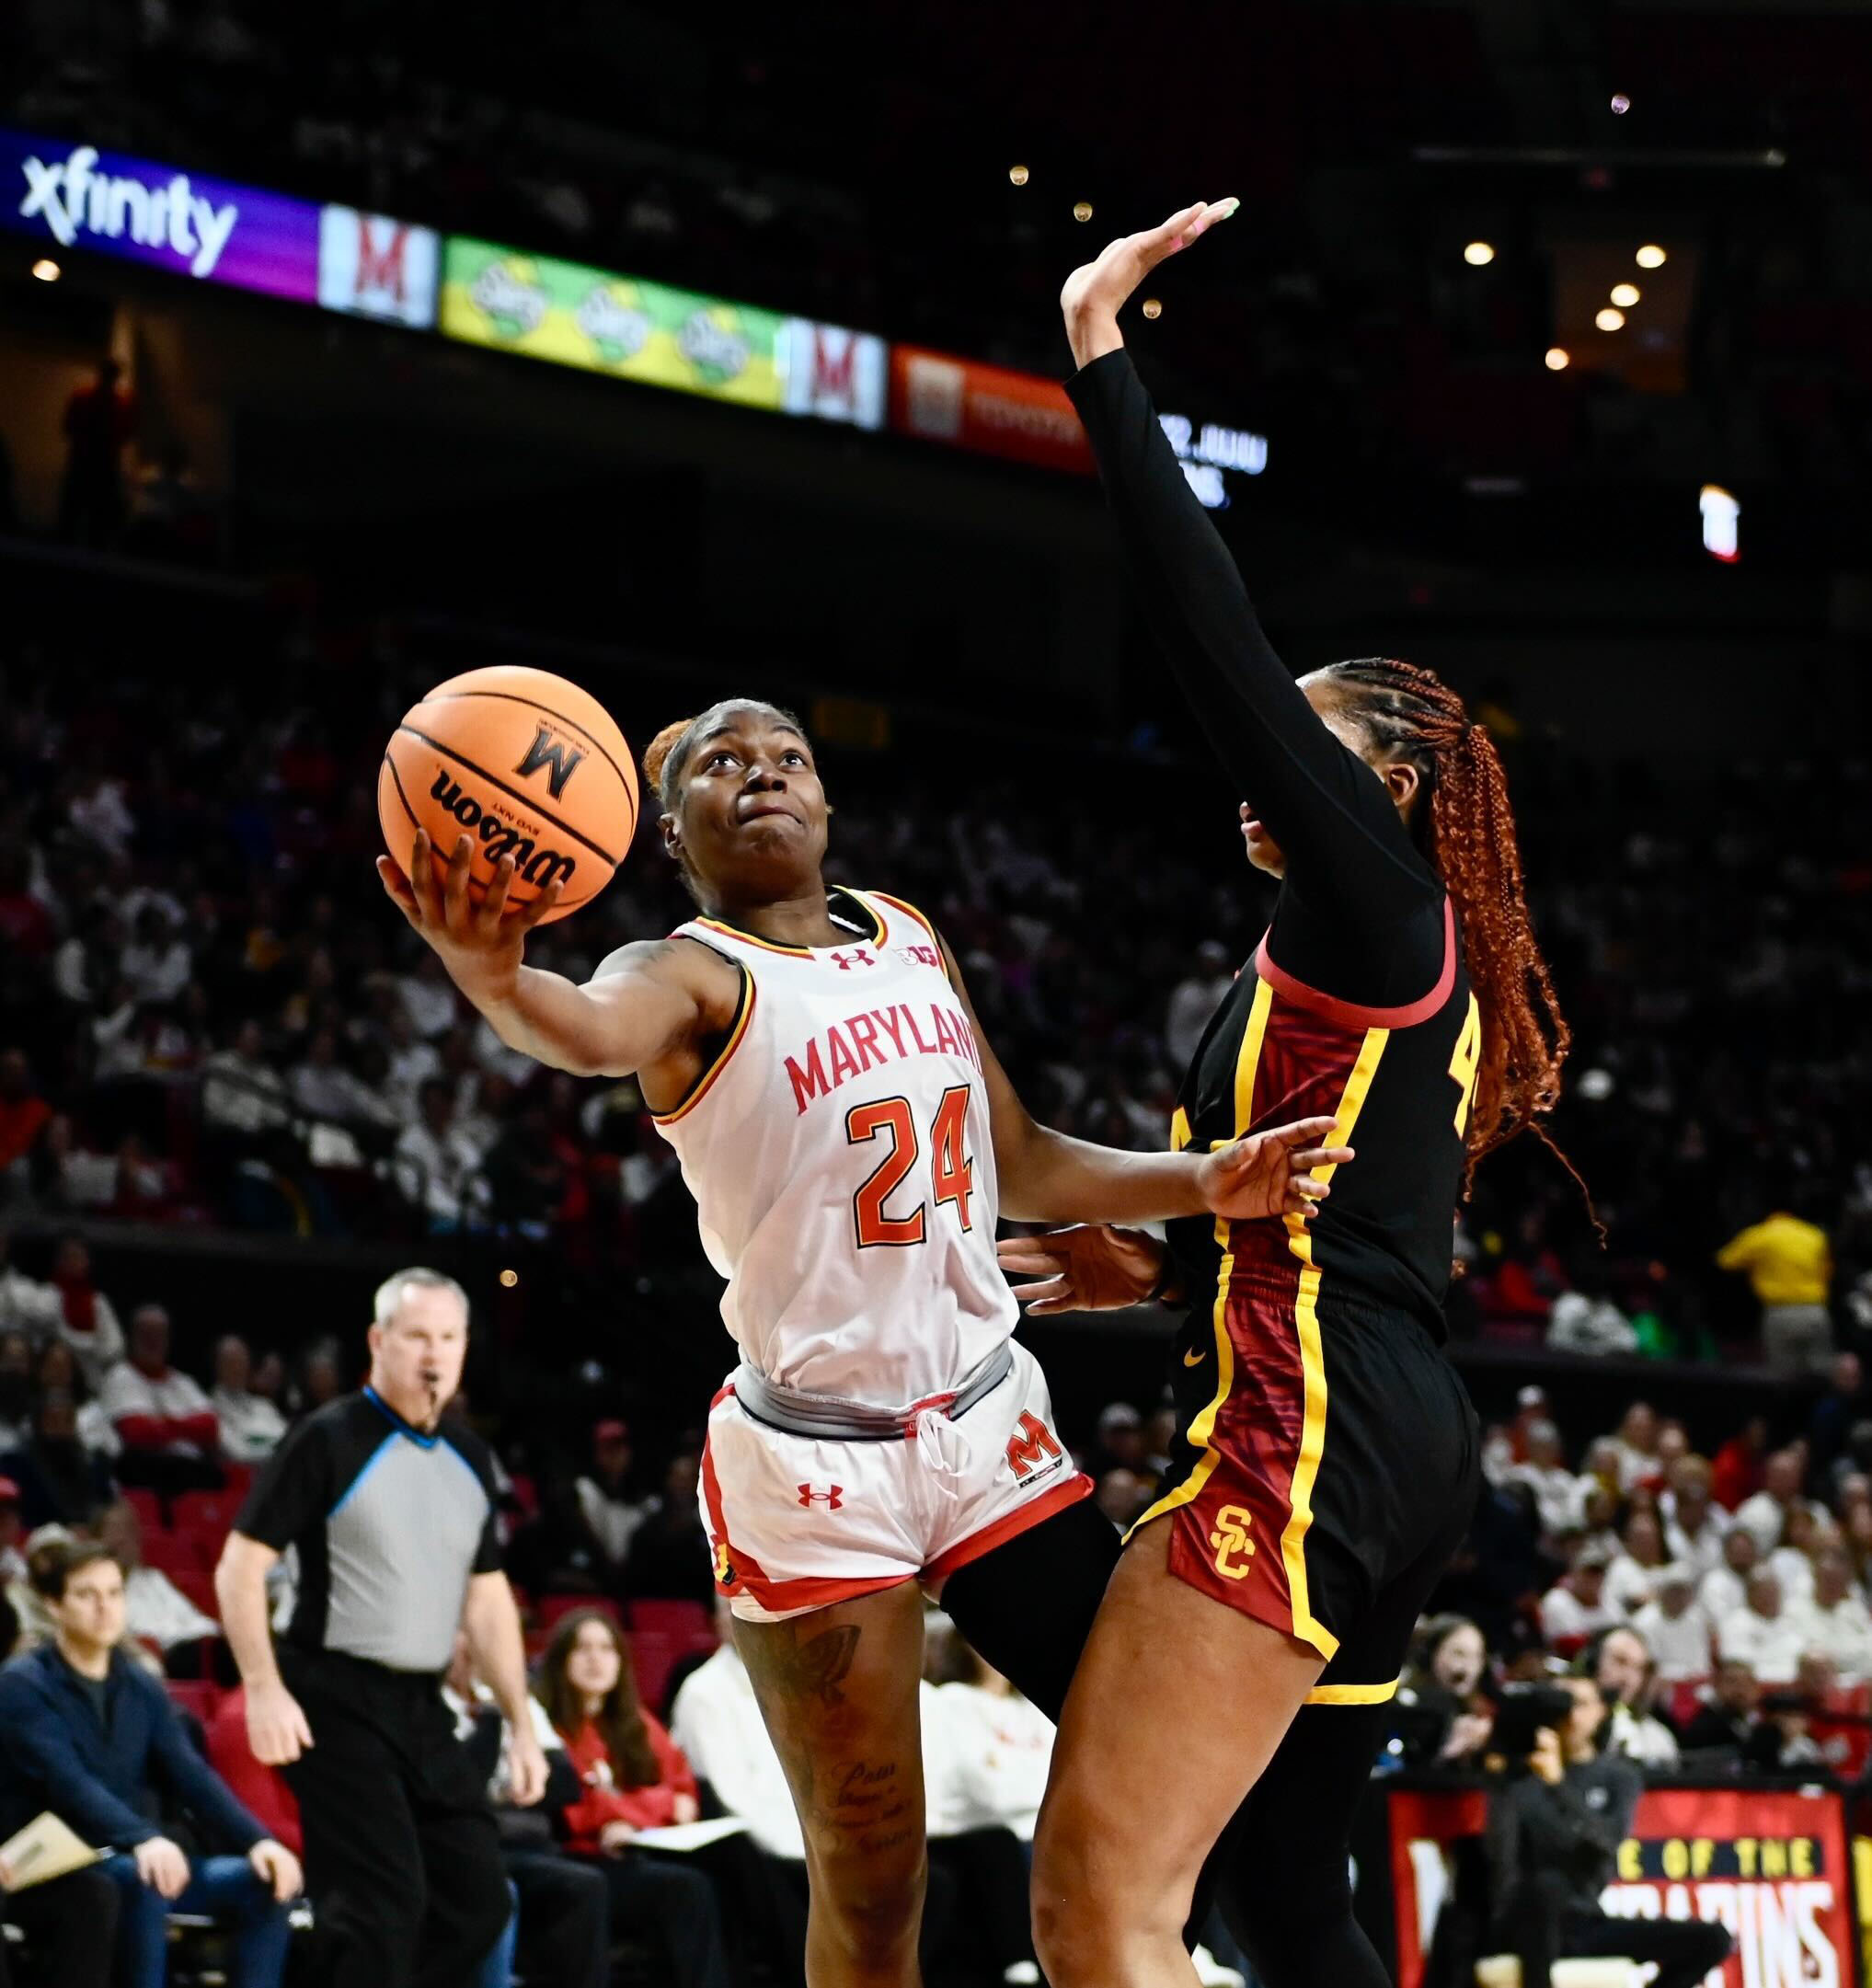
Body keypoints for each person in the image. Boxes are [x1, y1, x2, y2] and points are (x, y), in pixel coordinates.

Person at [377, 691, 1347, 1988]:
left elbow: (1024, 1159)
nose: (761, 772)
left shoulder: (905, 935)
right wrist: (496, 979)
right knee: (875, 1881)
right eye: (722, 763)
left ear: (827, 804)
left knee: (1170, 1776)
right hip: (819, 1472)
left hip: (985, 1426)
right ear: (673, 833)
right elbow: (584, 1027)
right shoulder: (685, 975)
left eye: (787, 755)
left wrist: (1205, 1178)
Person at [1007, 196, 1584, 1988]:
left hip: (1315, 1415)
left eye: (1314, 745)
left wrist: (1100, 348)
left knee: (1098, 1909)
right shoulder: (1407, 968)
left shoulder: (1372, 896)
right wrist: (1168, 1269)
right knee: (1279, 1903)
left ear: (1393, 781)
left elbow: (1210, 640)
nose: (1266, 765)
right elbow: (1365, 1206)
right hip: (1396, 1424)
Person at [214, 1269, 546, 1988]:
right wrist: (263, 1687)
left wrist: (522, 1723)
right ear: (378, 1340)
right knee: (379, 1905)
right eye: (418, 1335)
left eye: (449, 1337)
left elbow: (487, 1602)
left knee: (479, 1899)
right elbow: (238, 1567)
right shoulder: (327, 1439)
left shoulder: (471, 1457)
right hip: (330, 1696)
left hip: (421, 1704)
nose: (434, 1353)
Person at [0, 1541, 299, 1988]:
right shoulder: (22, 1684)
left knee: (264, 1883)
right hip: (67, 1862)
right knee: (146, 1877)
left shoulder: (141, 1685)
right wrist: (143, 1838)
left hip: (142, 1856)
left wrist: (258, 1842)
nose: (105, 1608)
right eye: (87, 1595)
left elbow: (193, 1776)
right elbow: (69, 1782)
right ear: (54, 1606)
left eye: (115, 1593)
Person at [1485, 1677, 1730, 1988]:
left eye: (1582, 1705)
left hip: (1585, 1920)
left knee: (1712, 1939)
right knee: (1546, 1886)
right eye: (1563, 1706)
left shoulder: (1618, 1776)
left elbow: (1608, 1842)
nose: (1571, 1716)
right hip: (1528, 1925)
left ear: (1601, 1711)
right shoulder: (1520, 1780)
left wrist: (1559, 1785)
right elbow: (1501, 1861)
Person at [534, 1608, 730, 1988]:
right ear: (561, 1660)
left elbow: (683, 1790)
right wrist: (656, 1806)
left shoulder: (633, 1720)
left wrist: (631, 1813)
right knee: (686, 1889)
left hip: (635, 1854)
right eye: (583, 1649)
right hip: (580, 1859)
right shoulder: (548, 1723)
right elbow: (580, 1809)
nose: (596, 1659)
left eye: (606, 1649)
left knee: (710, 1877)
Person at [98, 1303, 222, 1495]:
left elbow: (210, 1427)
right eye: (146, 1334)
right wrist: (186, 1427)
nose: (153, 1341)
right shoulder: (120, 1376)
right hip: (146, 1475)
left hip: (193, 1471)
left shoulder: (183, 1382)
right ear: (132, 1337)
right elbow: (135, 1431)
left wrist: (162, 1424)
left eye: (159, 1334)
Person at [95, 1499, 222, 1674]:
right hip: (158, 1658)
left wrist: (214, 1636)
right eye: (114, 1529)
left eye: (128, 1530)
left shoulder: (154, 1579)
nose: (123, 1538)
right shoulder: (98, 1591)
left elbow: (193, 1618)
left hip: (190, 1647)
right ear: (100, 1539)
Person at [1717, 1196, 1833, 1373]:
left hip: (1780, 1314)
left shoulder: (1762, 1234)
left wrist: (1757, 1264)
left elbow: (1725, 1261)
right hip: (1815, 1312)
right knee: (1821, 1373)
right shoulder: (1814, 1235)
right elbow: (1827, 1272)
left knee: (1783, 1377)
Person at [211, 1332, 288, 1465]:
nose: (237, 1368)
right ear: (218, 1365)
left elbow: (290, 1444)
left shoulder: (264, 1406)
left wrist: (257, 1443)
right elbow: (239, 1454)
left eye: (241, 1360)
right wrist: (274, 1446)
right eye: (231, 1362)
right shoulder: (209, 1409)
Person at [1631, 1565, 1714, 1683]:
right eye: (1673, 1592)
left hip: (1693, 1682)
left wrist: (1697, 1676)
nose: (1677, 1597)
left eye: (1682, 1592)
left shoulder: (1697, 1619)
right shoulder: (1643, 1621)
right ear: (1662, 1593)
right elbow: (1651, 1665)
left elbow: (1702, 1661)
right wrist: (1685, 1674)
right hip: (1658, 1684)